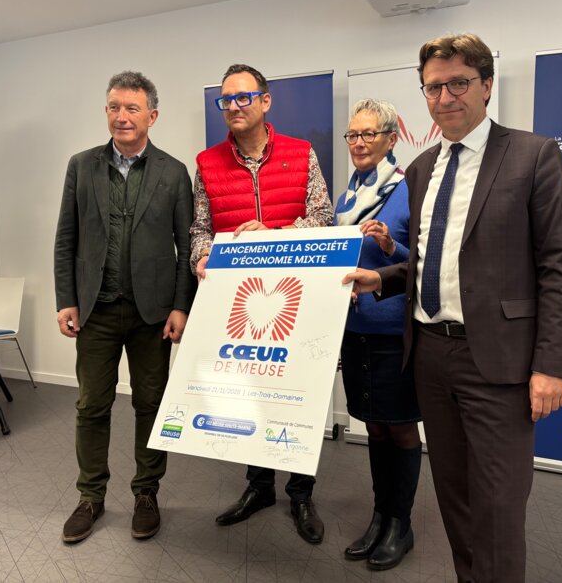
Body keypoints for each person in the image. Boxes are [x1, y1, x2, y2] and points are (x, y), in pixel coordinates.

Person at [344, 34, 562, 582]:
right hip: (429, 355)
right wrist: (383, 278)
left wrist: (551, 366)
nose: (445, 96)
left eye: (458, 83)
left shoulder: (532, 155)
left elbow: (560, 267)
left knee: (497, 506)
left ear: (486, 86)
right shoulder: (422, 168)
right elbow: (435, 259)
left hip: (496, 361)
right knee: (454, 497)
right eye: (434, 87)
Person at [190, 63, 333, 544]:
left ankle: (301, 494)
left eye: (243, 97)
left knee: (298, 395)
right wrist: (201, 258)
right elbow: (199, 229)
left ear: (265, 101)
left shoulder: (300, 152)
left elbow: (322, 217)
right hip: (239, 305)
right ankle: (259, 487)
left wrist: (271, 233)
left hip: (297, 298)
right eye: (226, 100)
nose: (234, 106)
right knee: (250, 393)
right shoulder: (206, 163)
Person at [54, 70, 195, 544]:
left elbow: (185, 246)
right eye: (114, 107)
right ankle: (90, 496)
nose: (122, 116)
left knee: (150, 404)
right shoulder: (81, 166)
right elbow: (66, 239)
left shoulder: (174, 172)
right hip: (95, 310)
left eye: (132, 108)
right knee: (91, 405)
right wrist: (66, 299)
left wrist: (181, 306)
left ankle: (146, 494)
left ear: (152, 115)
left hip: (152, 314)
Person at [335, 99, 422, 571]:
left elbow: (423, 262)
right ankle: (379, 516)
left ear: (391, 139)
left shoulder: (409, 189)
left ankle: (400, 525)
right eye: (353, 134)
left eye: (369, 134)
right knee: (372, 425)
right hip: (355, 330)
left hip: (393, 331)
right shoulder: (348, 196)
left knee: (401, 427)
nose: (359, 142)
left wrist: (391, 245)